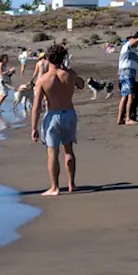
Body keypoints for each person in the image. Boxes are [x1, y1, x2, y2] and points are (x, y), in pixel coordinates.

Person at [30, 43, 85, 195]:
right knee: (68, 150)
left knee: (52, 152)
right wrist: (69, 72)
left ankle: (54, 187)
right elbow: (81, 84)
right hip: (69, 113)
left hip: (53, 115)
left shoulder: (43, 79)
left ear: (48, 59)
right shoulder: (69, 74)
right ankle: (71, 184)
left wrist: (33, 127)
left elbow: (36, 107)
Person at [116, 33, 138, 125]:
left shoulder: (130, 49)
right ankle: (127, 119)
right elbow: (131, 42)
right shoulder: (126, 46)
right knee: (130, 96)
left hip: (124, 74)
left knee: (124, 96)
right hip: (127, 74)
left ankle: (120, 119)